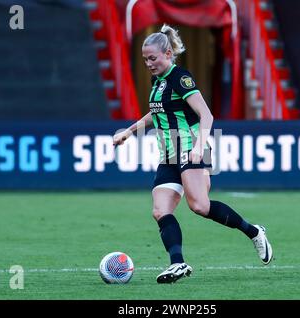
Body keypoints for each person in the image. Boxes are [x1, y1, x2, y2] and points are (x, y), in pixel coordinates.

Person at [113, 24, 273, 284]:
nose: (148, 64)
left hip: (190, 147)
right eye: (145, 60)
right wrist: (129, 131)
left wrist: (199, 146)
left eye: (152, 58)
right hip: (168, 154)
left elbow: (206, 114)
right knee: (160, 210)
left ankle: (254, 231)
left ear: (167, 53)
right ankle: (178, 264)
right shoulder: (158, 82)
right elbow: (156, 114)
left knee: (199, 205)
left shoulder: (180, 77)